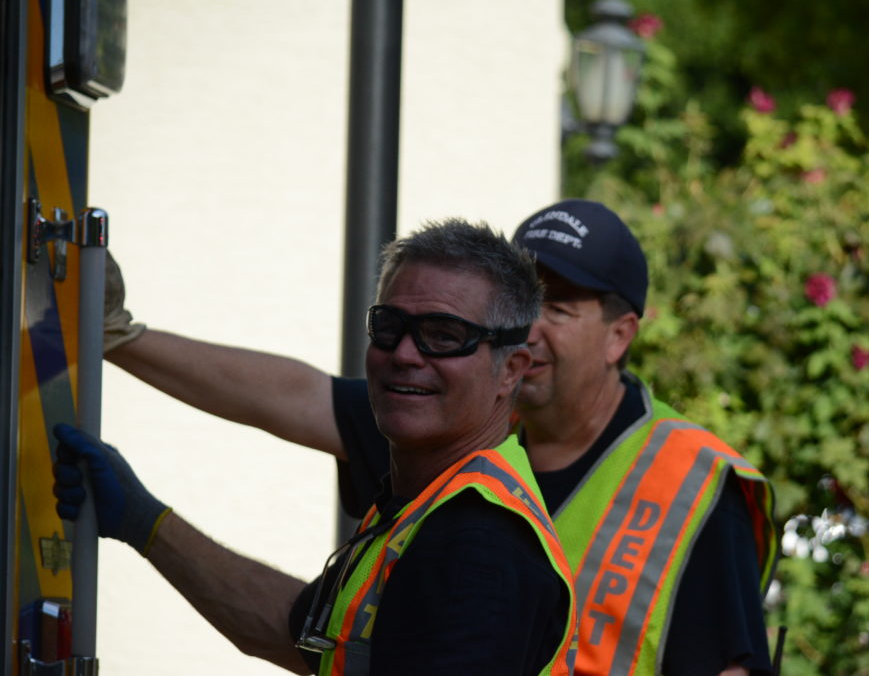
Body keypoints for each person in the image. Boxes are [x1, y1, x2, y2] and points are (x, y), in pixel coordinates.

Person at [105, 200, 779, 676]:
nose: (531, 325)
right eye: (526, 300)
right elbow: (295, 397)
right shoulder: (448, 424)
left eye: (557, 307)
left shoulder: (691, 485)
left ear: (619, 335)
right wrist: (120, 339)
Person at [56, 219, 577, 675]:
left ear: (510, 370)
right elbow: (293, 632)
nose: (404, 354)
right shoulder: (430, 501)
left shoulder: (477, 546)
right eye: (389, 326)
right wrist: (144, 520)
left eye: (444, 335)